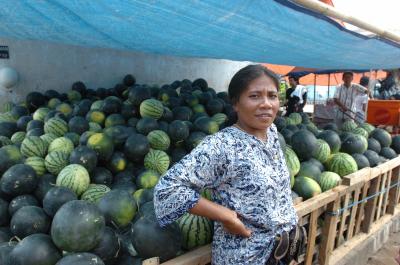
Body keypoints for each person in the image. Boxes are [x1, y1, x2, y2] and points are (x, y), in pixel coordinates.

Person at [154, 64, 305, 264]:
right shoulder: (222, 146)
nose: (266, 104)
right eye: (255, 96)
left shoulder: (272, 132)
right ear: (235, 103)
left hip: (279, 251)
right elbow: (167, 190)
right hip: (246, 257)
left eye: (272, 95)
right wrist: (224, 215)